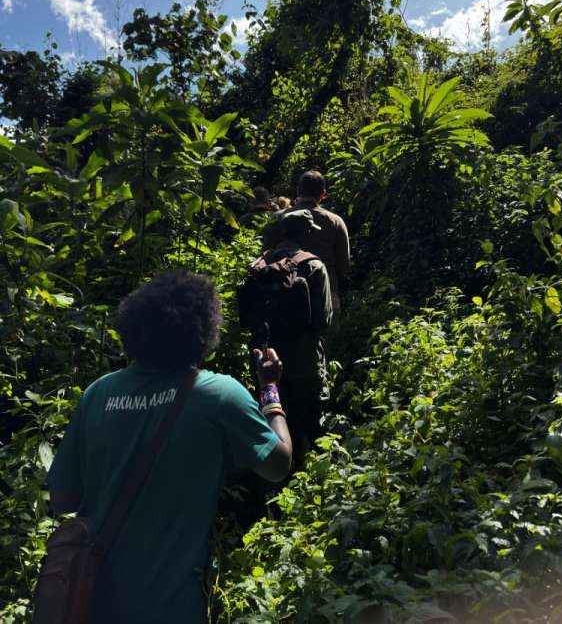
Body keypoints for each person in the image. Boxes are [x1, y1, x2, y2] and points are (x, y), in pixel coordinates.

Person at [45, 271, 293, 623]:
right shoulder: (219, 395)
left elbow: (63, 499)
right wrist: (269, 390)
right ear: (204, 330)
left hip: (89, 599)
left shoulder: (97, 393)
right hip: (172, 608)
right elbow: (277, 465)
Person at [251, 209, 334, 462]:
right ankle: (314, 481)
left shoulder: (258, 266)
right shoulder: (313, 266)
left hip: (264, 362)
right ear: (307, 234)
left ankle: (274, 484)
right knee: (311, 422)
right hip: (304, 359)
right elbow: (324, 321)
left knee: (271, 420)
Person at [263, 170, 351, 314]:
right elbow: (344, 266)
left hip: (282, 294)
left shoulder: (278, 219)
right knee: (326, 335)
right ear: (323, 194)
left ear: (298, 190)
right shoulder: (336, 222)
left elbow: (266, 255)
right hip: (325, 294)